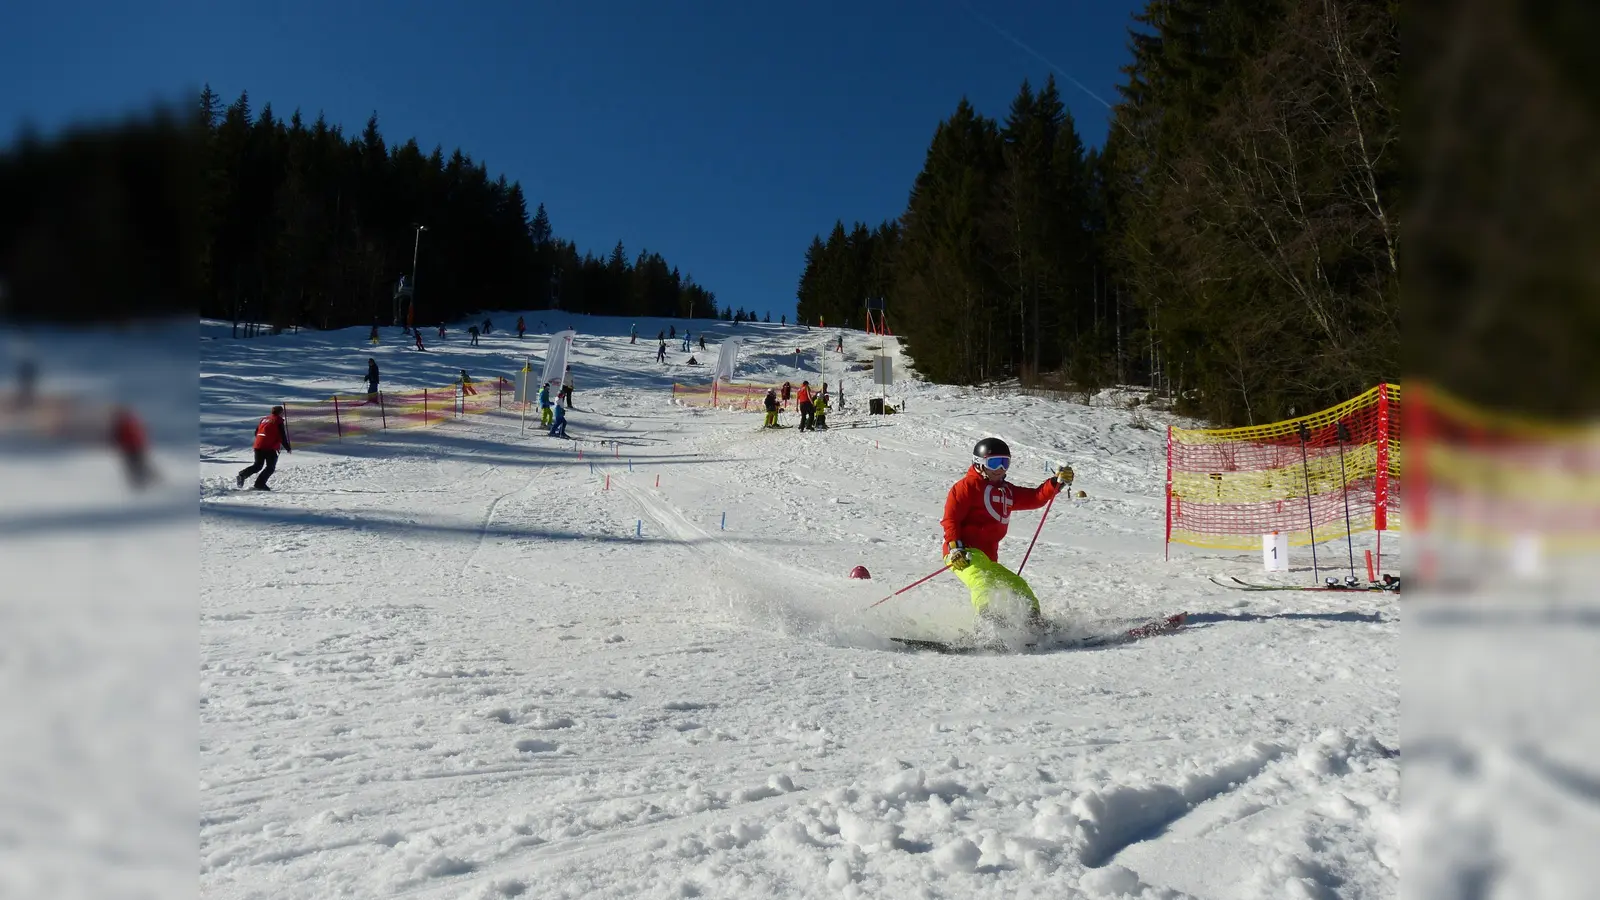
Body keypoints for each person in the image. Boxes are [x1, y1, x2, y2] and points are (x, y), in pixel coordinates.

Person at [940, 438, 1073, 625]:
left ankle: (1034, 623)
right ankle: (988, 625)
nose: (1000, 469)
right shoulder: (966, 487)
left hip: (987, 558)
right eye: (994, 463)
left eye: (1005, 463)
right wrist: (955, 547)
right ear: (979, 464)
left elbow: (1035, 498)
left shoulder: (1006, 491)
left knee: (1017, 585)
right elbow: (951, 519)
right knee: (982, 582)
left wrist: (1055, 484)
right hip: (964, 553)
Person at [237, 405, 292, 491]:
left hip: (258, 445)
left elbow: (256, 432)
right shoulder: (278, 420)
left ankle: (242, 475)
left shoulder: (264, 419)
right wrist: (287, 447)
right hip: (270, 447)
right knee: (270, 467)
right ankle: (259, 484)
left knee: (258, 465)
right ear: (280, 413)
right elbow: (282, 436)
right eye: (282, 413)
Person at [111, 405, 154, 489]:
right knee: (135, 467)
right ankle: (140, 483)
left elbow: (139, 435)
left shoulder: (127, 424)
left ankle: (148, 481)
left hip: (134, 448)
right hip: (131, 449)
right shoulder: (128, 424)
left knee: (139, 466)